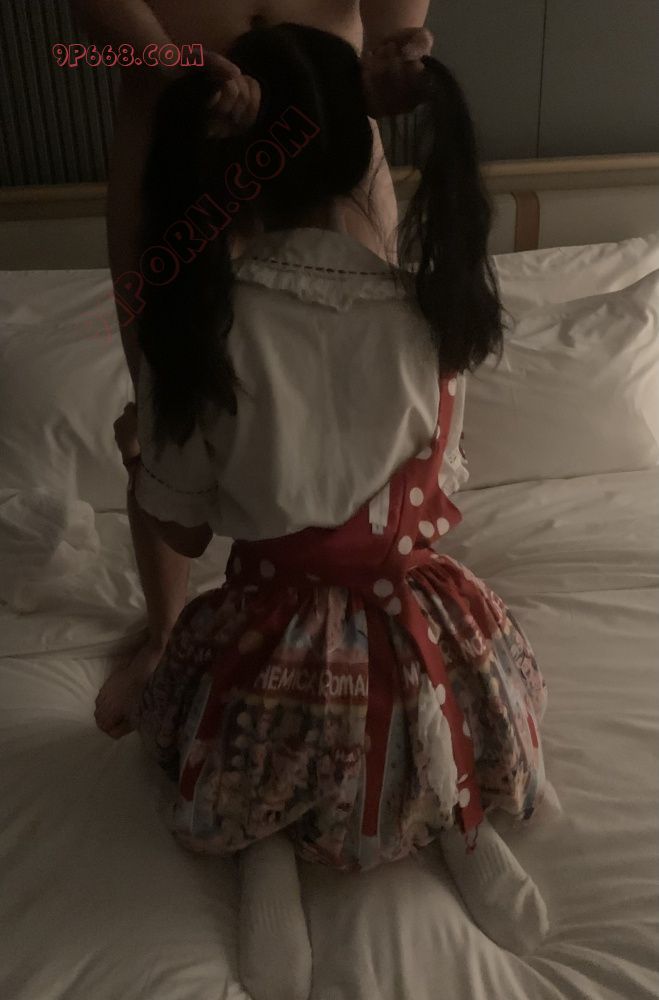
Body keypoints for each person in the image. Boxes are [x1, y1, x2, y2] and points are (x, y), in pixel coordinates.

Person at [92, 20, 552, 998]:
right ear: (360, 150)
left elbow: (185, 531)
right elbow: (437, 482)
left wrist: (140, 453)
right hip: (418, 613)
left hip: (274, 628)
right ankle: (456, 816)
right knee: (431, 687)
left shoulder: (202, 327)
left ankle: (263, 846)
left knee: (243, 722)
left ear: (233, 173)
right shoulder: (432, 308)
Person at [71, 0, 436, 729]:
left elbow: (396, 29)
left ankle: (369, 605)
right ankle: (166, 632)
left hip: (322, 122)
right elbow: (90, 33)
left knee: (366, 370)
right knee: (170, 393)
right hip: (182, 122)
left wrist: (393, 61)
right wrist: (170, 66)